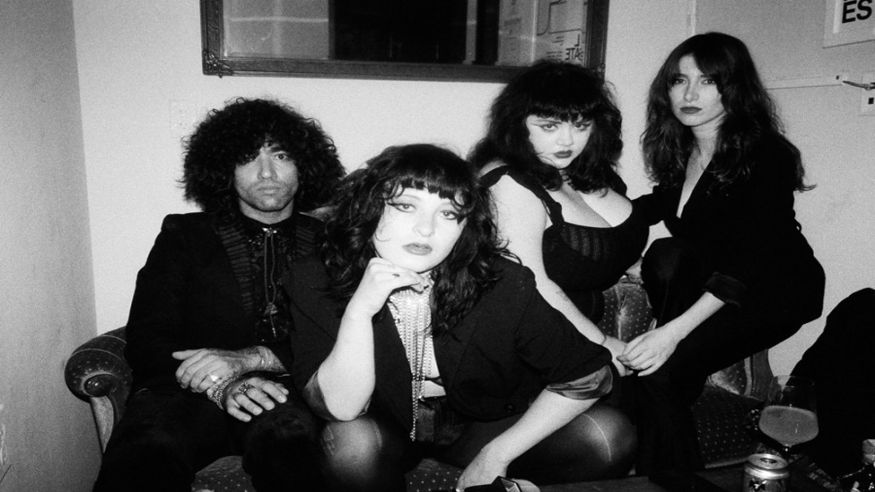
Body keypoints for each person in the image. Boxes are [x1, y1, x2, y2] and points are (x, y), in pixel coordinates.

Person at [285, 144, 636, 492]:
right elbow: (342, 408)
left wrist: (495, 455)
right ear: (371, 208)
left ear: (465, 225)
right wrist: (360, 310)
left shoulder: (502, 281)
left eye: (449, 214)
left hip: (478, 425)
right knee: (352, 447)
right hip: (383, 427)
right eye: (406, 206)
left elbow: (589, 375)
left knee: (606, 436)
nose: (426, 230)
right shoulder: (316, 277)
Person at [93, 97, 345, 491]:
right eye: (247, 158)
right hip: (185, 391)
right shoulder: (184, 236)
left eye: (281, 155)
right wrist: (221, 384)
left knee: (291, 446)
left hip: (286, 391)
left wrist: (254, 359)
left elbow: (344, 339)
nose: (266, 172)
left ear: (304, 165)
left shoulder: (330, 243)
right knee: (145, 453)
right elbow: (147, 337)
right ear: (224, 169)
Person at [620, 32, 825, 472]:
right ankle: (675, 390)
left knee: (660, 373)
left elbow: (747, 258)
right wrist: (586, 208)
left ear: (734, 88)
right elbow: (654, 207)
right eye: (679, 80)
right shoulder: (684, 150)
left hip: (775, 290)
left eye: (708, 81)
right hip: (720, 282)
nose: (690, 94)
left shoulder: (765, 154)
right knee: (666, 254)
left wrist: (669, 333)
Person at [470, 60, 648, 375]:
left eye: (581, 125)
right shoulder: (509, 182)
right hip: (531, 347)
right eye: (549, 126)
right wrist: (602, 344)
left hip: (583, 330)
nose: (567, 141)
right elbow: (532, 283)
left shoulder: (585, 170)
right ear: (517, 124)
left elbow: (605, 240)